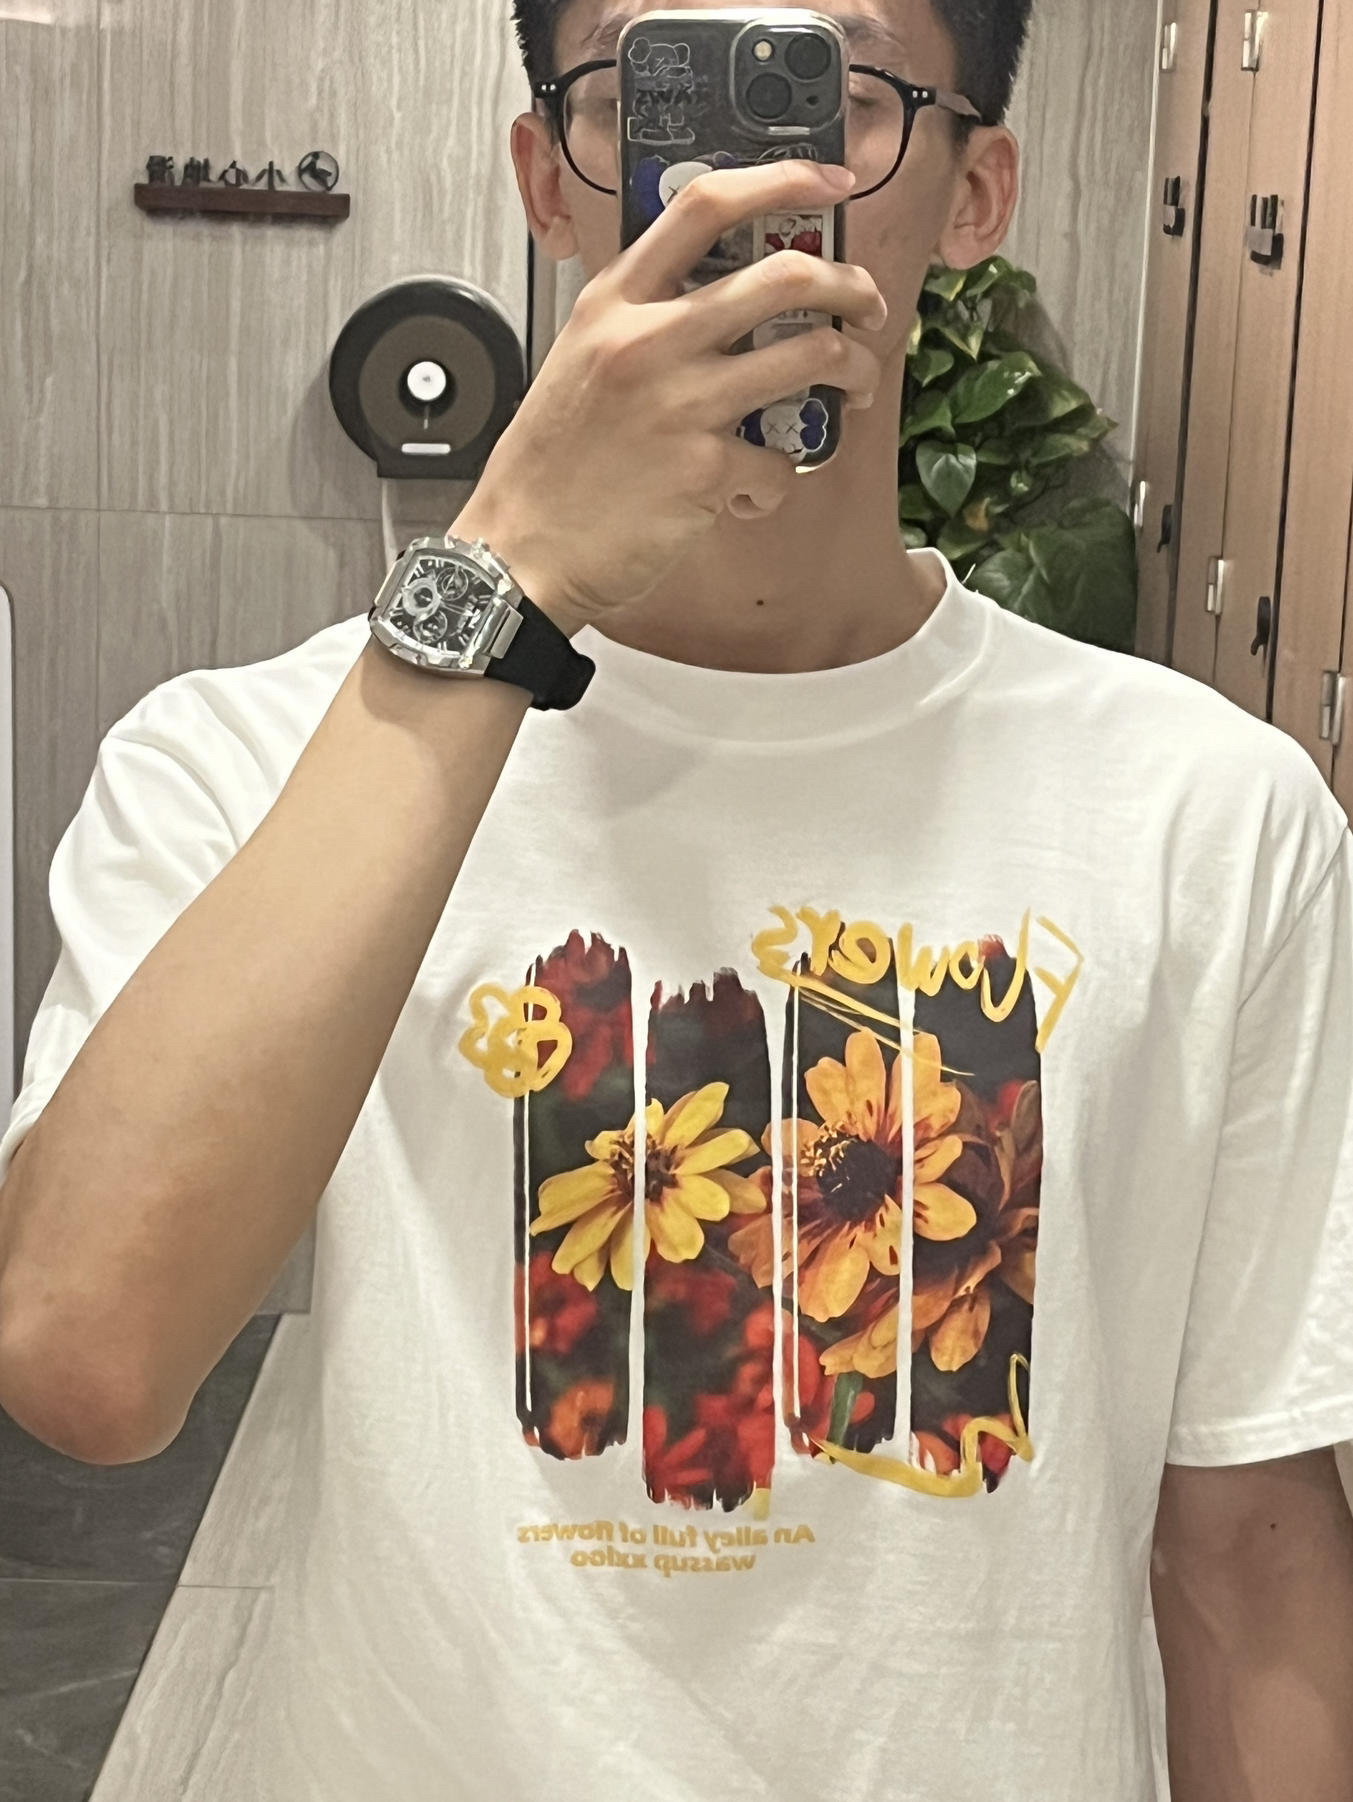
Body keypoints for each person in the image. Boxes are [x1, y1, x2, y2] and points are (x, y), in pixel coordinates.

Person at [1, 0, 1352, 1796]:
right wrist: (505, 580)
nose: (739, 175)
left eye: (828, 93)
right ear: (548, 178)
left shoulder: (1212, 816)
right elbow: (87, 1359)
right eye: (656, 89)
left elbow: (1250, 1548)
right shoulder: (247, 764)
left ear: (974, 194)